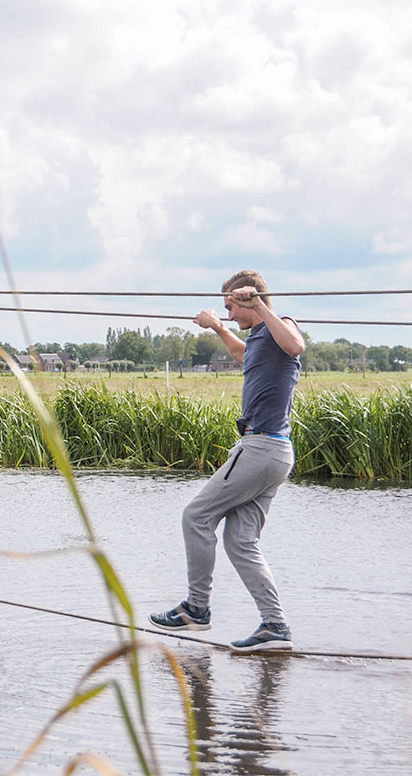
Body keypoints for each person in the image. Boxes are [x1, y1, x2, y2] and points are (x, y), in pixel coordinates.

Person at [149, 270, 305, 652]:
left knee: (196, 516)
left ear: (251, 300)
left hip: (260, 448)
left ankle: (196, 609)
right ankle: (275, 625)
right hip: (275, 452)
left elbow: (297, 345)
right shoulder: (258, 340)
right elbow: (241, 353)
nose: (231, 314)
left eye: (232, 306)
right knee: (240, 541)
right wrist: (219, 328)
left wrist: (261, 307)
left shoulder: (279, 326)